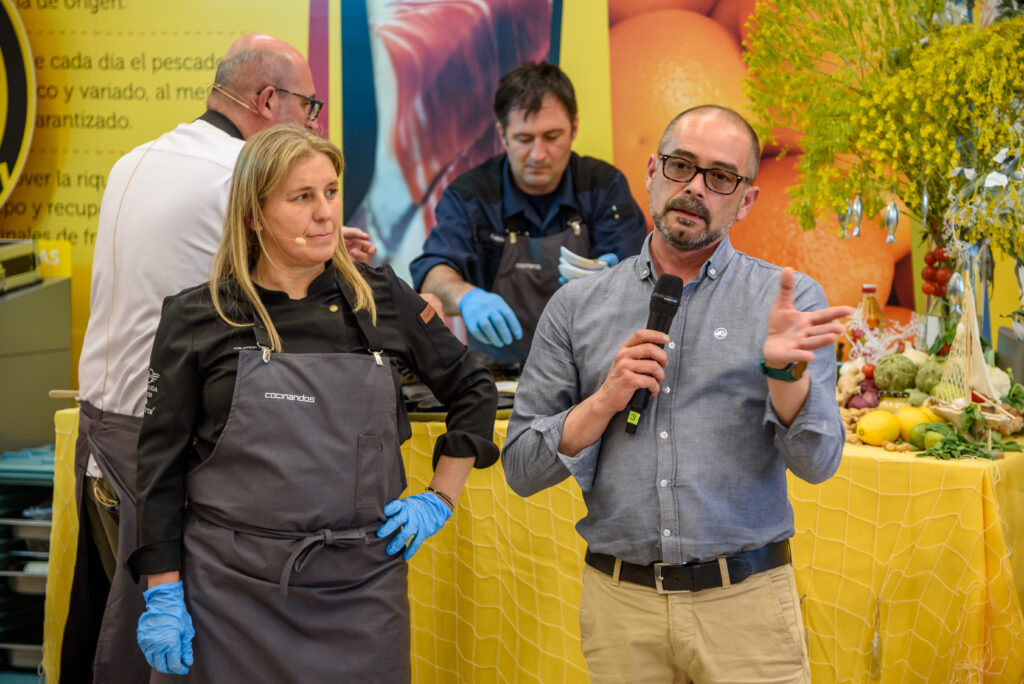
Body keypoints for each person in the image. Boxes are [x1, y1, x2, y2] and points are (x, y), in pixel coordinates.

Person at [126, 124, 498, 681]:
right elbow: (159, 468)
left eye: (330, 191)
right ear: (253, 215)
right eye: (301, 197)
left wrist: (440, 498)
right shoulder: (199, 316)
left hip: (361, 591)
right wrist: (163, 592)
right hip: (227, 593)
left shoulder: (380, 299)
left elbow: (473, 389)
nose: (325, 214)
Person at [501, 105, 853, 683]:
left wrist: (784, 375)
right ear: (651, 171)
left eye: (721, 176)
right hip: (621, 610)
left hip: (746, 608)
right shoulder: (577, 307)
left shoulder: (786, 302)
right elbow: (520, 469)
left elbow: (818, 464)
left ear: (747, 200)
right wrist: (603, 400)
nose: (694, 187)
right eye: (680, 165)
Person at [70, 33, 375, 683]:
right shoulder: (238, 174)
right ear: (268, 100)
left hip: (98, 433)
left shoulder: (136, 159)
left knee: (121, 641)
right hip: (168, 451)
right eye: (309, 107)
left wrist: (311, 238)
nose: (311, 123)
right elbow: (289, 300)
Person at [408, 61, 646, 367]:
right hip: (496, 375)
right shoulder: (471, 195)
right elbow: (433, 275)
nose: (538, 154)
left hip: (590, 371)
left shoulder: (603, 186)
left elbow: (641, 281)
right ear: (503, 134)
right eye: (524, 139)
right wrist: (467, 298)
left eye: (552, 136)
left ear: (574, 128)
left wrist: (618, 276)